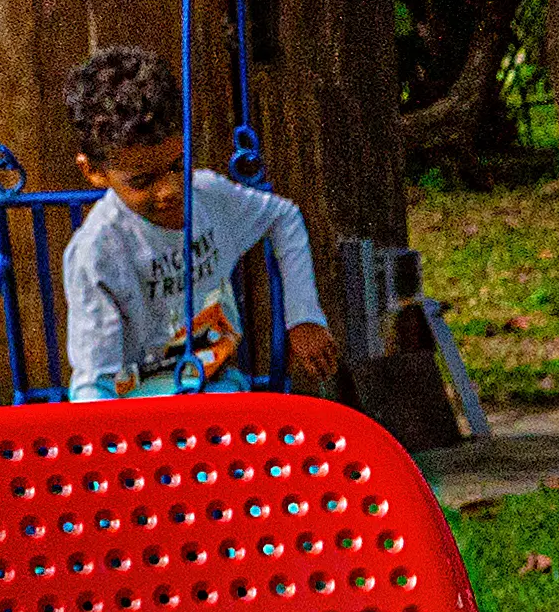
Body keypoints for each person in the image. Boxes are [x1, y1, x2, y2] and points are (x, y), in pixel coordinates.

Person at [58, 48, 346, 400]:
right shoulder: (96, 252)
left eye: (178, 165)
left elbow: (283, 217)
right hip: (137, 405)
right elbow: (94, 384)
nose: (170, 190)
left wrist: (303, 316)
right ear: (93, 170)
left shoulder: (209, 196)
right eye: (142, 181)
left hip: (217, 388)